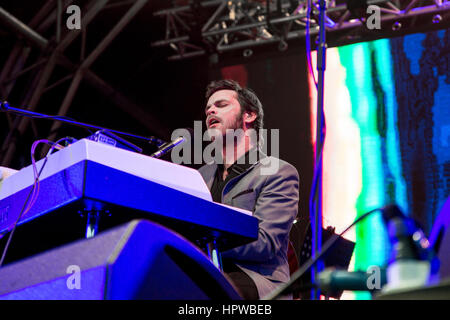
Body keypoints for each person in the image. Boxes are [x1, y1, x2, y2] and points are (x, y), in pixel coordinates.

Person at [198, 79, 299, 299]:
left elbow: (265, 243)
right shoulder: (199, 176)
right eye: (208, 109)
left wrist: (202, 243)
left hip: (259, 282)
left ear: (249, 116)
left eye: (222, 104)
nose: (210, 111)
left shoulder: (279, 172)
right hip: (207, 270)